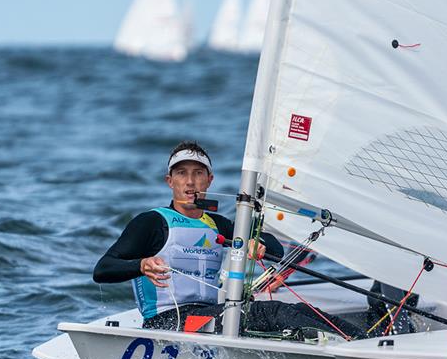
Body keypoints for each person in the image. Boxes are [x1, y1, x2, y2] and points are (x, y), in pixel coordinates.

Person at [93, 141, 364, 338]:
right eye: (181, 173)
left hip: (211, 317)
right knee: (272, 313)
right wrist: (140, 265)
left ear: (209, 180)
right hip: (166, 324)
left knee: (296, 311)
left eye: (198, 173)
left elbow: (276, 249)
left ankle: (364, 340)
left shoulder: (216, 224)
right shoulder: (151, 222)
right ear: (169, 181)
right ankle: (359, 342)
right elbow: (102, 270)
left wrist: (259, 243)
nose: (190, 182)